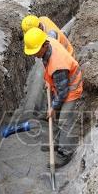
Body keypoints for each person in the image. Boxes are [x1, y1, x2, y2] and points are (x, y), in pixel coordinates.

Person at [23, 27, 83, 168]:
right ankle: (58, 142)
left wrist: (53, 107)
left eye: (36, 51)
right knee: (55, 117)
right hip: (61, 83)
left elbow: (63, 92)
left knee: (64, 120)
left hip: (71, 87)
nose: (34, 55)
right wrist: (49, 81)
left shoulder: (58, 65)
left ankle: (66, 152)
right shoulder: (47, 41)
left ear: (44, 45)